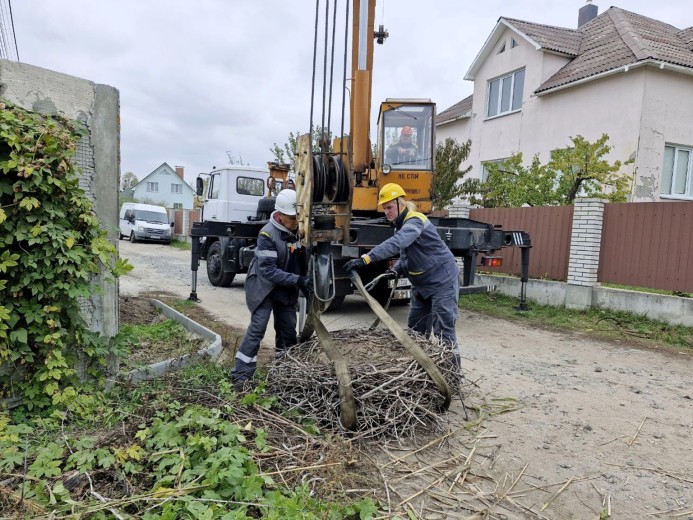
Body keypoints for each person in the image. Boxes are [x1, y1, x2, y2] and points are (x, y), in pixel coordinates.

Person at [343, 183, 461, 370]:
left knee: (444, 332)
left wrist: (366, 258)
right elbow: (407, 255)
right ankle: (423, 373)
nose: (386, 212)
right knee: (415, 331)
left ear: (401, 203)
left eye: (389, 207)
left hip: (442, 281)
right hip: (421, 285)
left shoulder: (415, 221)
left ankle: (452, 376)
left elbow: (398, 243)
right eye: (384, 208)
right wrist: (396, 269)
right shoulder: (401, 225)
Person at [231, 189, 312, 389]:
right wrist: (298, 280)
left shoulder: (298, 231)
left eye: (297, 217)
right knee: (258, 328)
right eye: (292, 218)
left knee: (287, 331)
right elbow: (268, 271)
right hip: (264, 287)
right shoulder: (267, 234)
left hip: (285, 288)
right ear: (280, 215)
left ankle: (285, 372)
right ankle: (241, 375)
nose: (296, 221)